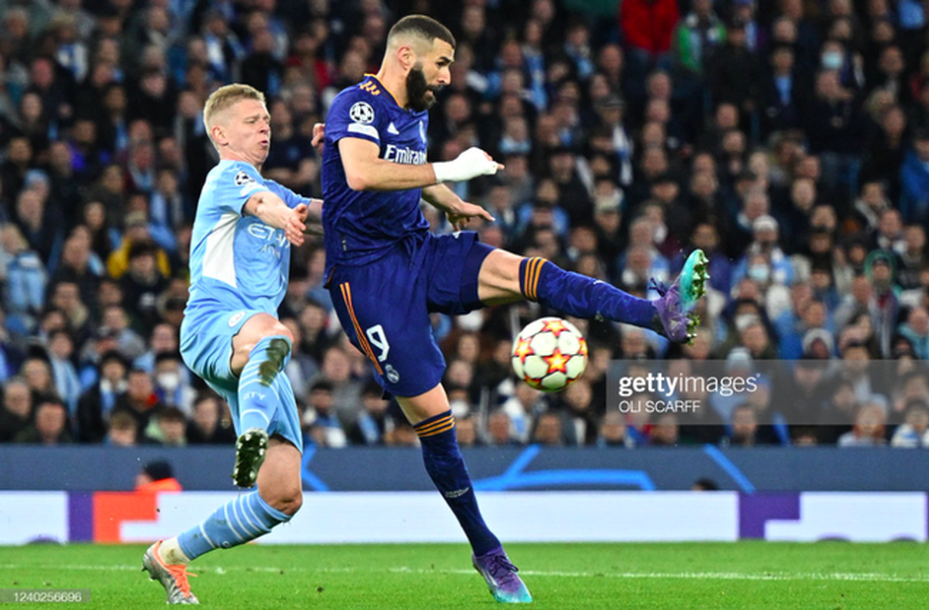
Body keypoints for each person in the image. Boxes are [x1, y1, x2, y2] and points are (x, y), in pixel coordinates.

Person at [318, 15, 708, 604]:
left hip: (416, 248)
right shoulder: (357, 102)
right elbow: (361, 171)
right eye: (442, 63)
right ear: (405, 55)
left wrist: (449, 199)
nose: (449, 76)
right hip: (367, 279)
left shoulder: (414, 109)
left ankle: (659, 314)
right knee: (436, 421)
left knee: (531, 273)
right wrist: (450, 169)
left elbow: (402, 174)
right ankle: (487, 551)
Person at [142, 84, 321, 604]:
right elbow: (260, 201)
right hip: (213, 322)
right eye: (251, 120)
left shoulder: (285, 195)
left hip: (254, 351)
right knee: (274, 331)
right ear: (221, 133)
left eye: (266, 119)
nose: (264, 126)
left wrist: (418, 187)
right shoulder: (226, 177)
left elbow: (334, 214)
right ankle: (254, 433)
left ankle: (170, 555)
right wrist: (278, 214)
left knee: (283, 497)